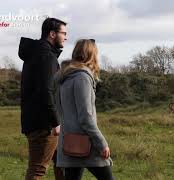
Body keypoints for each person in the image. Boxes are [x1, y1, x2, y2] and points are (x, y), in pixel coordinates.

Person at [55, 39, 114, 180]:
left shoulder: (62, 76)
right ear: (91, 54)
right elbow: (85, 117)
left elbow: (59, 108)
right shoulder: (82, 77)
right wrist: (102, 143)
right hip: (86, 142)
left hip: (68, 141)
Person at [18, 17, 67, 180]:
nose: (66, 37)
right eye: (63, 33)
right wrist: (56, 121)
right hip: (44, 125)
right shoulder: (46, 57)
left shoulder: (38, 53)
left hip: (39, 121)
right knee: (37, 169)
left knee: (63, 163)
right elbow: (46, 91)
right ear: (52, 34)